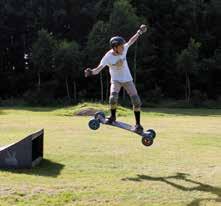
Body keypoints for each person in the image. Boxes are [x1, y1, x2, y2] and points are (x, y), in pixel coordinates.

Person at [84, 24, 148, 134]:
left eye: (123, 46)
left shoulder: (124, 49)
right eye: (121, 47)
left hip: (127, 79)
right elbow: (98, 69)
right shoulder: (108, 57)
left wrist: (139, 32)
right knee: (113, 98)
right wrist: (90, 72)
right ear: (114, 47)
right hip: (116, 80)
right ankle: (113, 117)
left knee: (137, 102)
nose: (123, 48)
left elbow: (131, 41)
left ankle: (138, 124)